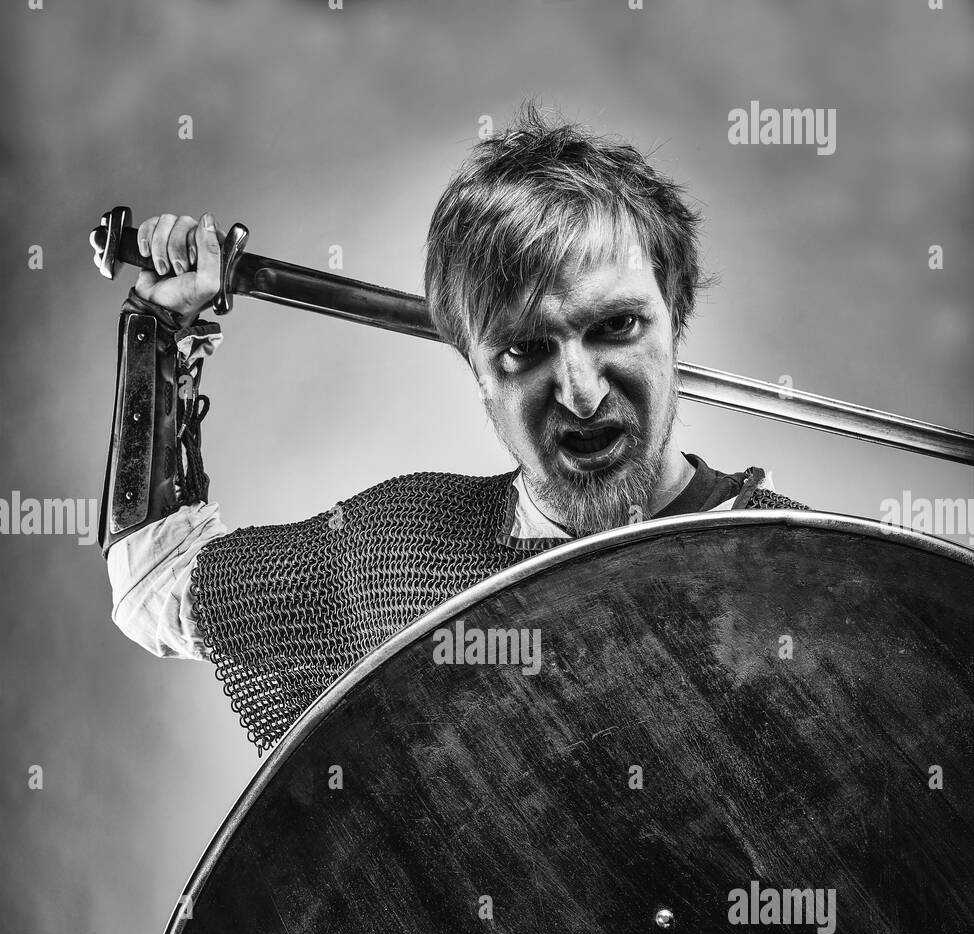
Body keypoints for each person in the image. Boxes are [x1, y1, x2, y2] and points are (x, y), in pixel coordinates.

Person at [99, 102, 807, 754]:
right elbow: (153, 585)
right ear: (477, 372)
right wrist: (157, 330)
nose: (582, 394)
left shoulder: (822, 577)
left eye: (616, 326)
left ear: (675, 312)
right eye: (525, 349)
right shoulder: (400, 554)